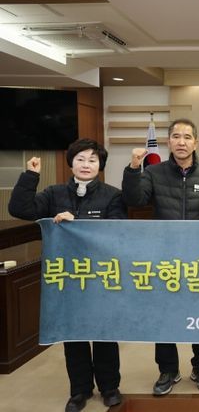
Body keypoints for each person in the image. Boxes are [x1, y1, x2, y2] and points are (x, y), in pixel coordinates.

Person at [8, 139, 125, 412]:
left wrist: (78, 224)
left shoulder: (113, 195)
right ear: (71, 163)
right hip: (67, 276)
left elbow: (117, 231)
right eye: (80, 159)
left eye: (92, 160)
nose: (86, 165)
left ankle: (109, 387)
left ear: (100, 165)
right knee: (74, 335)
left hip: (101, 274)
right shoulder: (54, 193)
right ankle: (79, 390)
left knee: (105, 333)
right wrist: (30, 176)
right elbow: (20, 210)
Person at [122, 118, 199, 396]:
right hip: (164, 256)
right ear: (168, 142)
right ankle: (168, 369)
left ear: (196, 143)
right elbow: (135, 200)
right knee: (163, 316)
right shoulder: (154, 172)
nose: (181, 142)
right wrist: (133, 169)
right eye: (176, 136)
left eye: (187, 137)